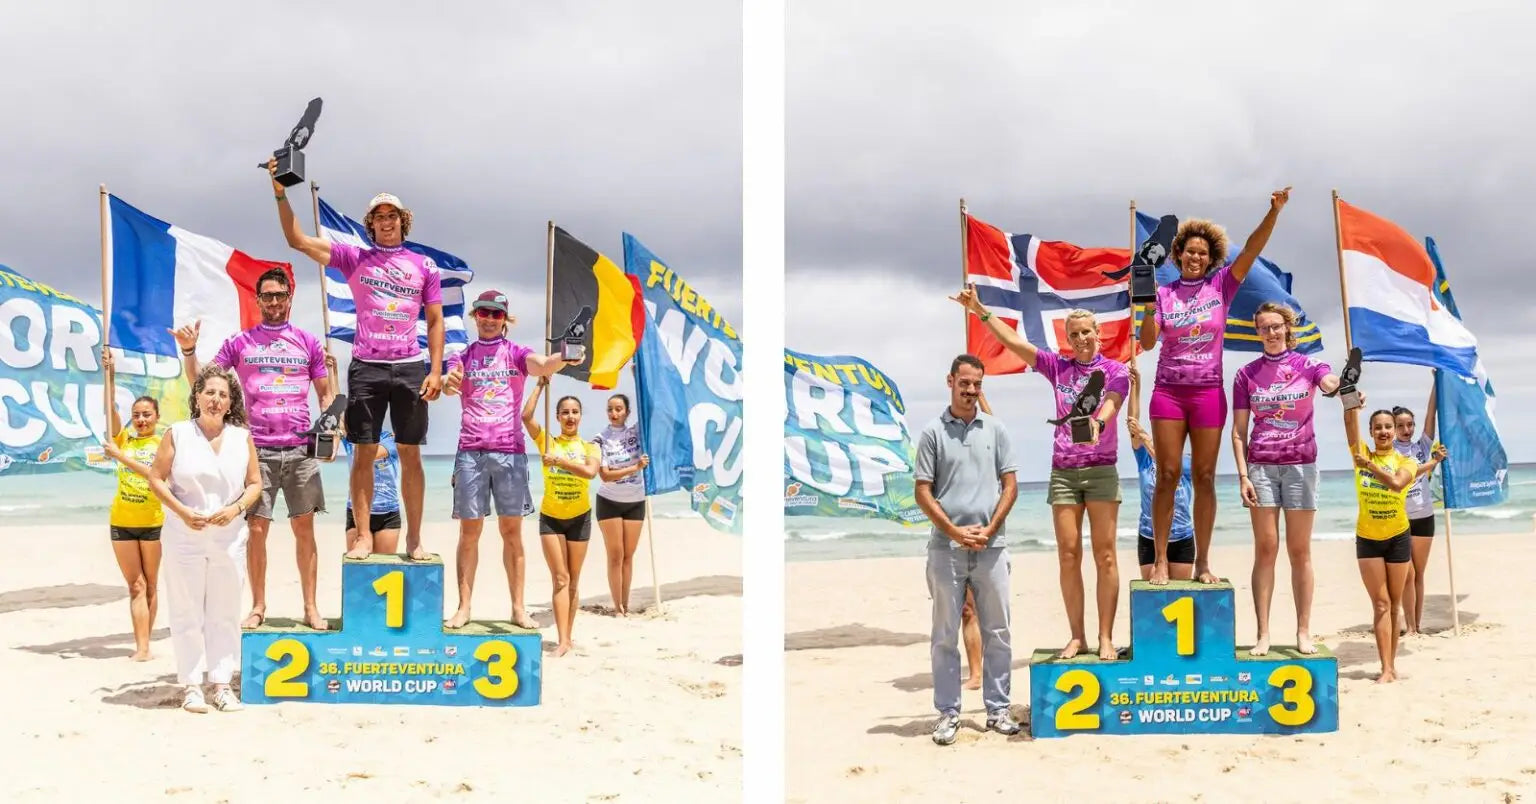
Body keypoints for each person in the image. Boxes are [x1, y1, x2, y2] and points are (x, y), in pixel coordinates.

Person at [267, 159, 444, 561]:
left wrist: (435, 370)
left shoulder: (423, 266)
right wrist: (280, 192)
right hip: (367, 365)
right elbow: (296, 239)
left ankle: (414, 539)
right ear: (371, 223)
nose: (385, 222)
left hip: (410, 365)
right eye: (379, 217)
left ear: (403, 221)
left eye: (392, 216)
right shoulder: (355, 257)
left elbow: (435, 320)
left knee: (410, 452)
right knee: (362, 451)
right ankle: (362, 536)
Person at [954, 288, 1127, 660]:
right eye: (1075, 333)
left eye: (1087, 332)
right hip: (1063, 471)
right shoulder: (1058, 368)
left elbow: (1112, 401)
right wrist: (981, 311)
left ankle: (1106, 636)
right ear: (1069, 338)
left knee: (1106, 556)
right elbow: (1015, 342)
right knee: (1068, 554)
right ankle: (1077, 636)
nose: (1081, 339)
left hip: (1100, 470)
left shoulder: (1116, 370)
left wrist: (1098, 423)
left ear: (1099, 333)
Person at [1137, 187, 1293, 585]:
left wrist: (1272, 211)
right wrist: (1150, 308)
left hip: (1207, 392)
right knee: (1167, 474)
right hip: (1169, 393)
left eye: (1202, 253)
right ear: (1178, 255)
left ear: (1211, 259)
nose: (1195, 258)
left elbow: (1252, 250)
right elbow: (1149, 342)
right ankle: (1158, 560)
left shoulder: (1222, 285)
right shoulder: (1164, 292)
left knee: (1205, 476)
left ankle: (1203, 562)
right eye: (1189, 252)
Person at [173, 267, 333, 630]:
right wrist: (188, 350)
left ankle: (310, 607)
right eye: (267, 296)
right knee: (257, 530)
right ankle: (259, 606)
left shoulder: (307, 342)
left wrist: (331, 428)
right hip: (254, 450)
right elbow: (202, 383)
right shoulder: (240, 342)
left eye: (280, 295)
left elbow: (325, 393)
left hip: (300, 450)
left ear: (289, 298)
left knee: (304, 529)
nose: (274, 302)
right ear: (258, 300)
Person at [442, 290, 573, 630]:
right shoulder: (464, 355)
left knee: (511, 532)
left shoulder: (516, 353)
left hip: (510, 453)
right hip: (470, 452)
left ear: (505, 320)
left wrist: (566, 356)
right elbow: (447, 384)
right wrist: (446, 381)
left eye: (496, 314)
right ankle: (464, 607)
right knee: (469, 532)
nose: (488, 318)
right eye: (483, 312)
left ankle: (517, 608)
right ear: (475, 316)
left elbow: (543, 365)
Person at [913, 354, 1020, 746]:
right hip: (946, 548)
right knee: (944, 633)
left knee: (999, 631)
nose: (971, 390)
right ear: (950, 381)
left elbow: (1010, 485)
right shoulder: (931, 433)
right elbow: (922, 492)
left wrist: (990, 529)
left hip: (993, 547)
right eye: (964, 383)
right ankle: (948, 714)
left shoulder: (996, 429)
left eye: (977, 384)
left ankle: (998, 710)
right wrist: (955, 532)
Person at [144, 365, 262, 713]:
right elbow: (156, 478)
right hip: (184, 534)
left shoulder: (242, 437)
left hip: (228, 535)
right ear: (196, 397)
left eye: (223, 394)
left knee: (225, 611)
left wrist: (236, 508)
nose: (216, 399)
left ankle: (222, 684)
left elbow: (255, 483)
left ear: (230, 403)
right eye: (209, 392)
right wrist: (181, 511)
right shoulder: (178, 434)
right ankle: (192, 685)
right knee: (186, 609)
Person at [1231, 303, 1341, 656]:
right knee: (1265, 549)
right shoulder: (1245, 375)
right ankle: (1262, 634)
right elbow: (1238, 433)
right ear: (1257, 332)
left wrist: (1342, 386)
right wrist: (1243, 475)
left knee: (1299, 551)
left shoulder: (1308, 365)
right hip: (1261, 467)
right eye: (1264, 328)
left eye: (1276, 327)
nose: (1271, 333)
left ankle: (1303, 632)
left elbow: (1329, 383)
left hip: (1301, 466)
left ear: (1287, 328)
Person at [523, 378, 601, 657]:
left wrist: (558, 461)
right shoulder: (548, 441)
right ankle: (562, 640)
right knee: (560, 578)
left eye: (574, 412)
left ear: (580, 416)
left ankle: (569, 636)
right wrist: (540, 386)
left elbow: (590, 473)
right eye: (565, 412)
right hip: (551, 518)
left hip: (580, 518)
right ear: (557, 417)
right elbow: (526, 416)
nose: (570, 416)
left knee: (574, 580)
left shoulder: (591, 447)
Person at [1344, 396, 1418, 683]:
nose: (1384, 431)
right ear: (1372, 432)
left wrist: (1371, 467)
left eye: (1389, 426)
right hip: (1368, 539)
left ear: (1395, 431)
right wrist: (1350, 401)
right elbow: (1349, 424)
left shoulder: (1405, 461)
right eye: (1378, 427)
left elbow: (1398, 483)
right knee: (1381, 604)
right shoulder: (1361, 453)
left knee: (1395, 604)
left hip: (1398, 536)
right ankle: (1384, 667)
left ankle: (1391, 667)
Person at [99, 348, 164, 662]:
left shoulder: (164, 442)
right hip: (122, 520)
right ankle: (142, 648)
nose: (140, 420)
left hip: (153, 522)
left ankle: (145, 644)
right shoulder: (123, 438)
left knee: (151, 584)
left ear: (156, 417)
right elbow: (109, 408)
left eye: (146, 415)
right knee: (135, 585)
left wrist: (120, 456)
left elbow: (155, 475)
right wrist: (109, 374)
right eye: (136, 415)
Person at [1125, 359, 1196, 581]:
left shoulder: (1186, 462)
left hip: (1182, 536)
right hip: (1149, 535)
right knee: (1153, 600)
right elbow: (1132, 425)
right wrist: (1135, 387)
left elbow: (1168, 464)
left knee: (1181, 596)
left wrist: (1146, 438)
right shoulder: (1146, 461)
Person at [1393, 395, 1449, 636]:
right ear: (1394, 428)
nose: (1407, 429)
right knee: (1408, 573)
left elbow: (1431, 416)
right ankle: (1409, 626)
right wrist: (1433, 463)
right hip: (1401, 518)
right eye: (1401, 425)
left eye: (1410, 425)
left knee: (1419, 574)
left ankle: (1416, 626)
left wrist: (1437, 384)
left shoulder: (1422, 447)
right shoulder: (1389, 451)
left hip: (1425, 516)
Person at [593, 393, 651, 615]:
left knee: (628, 556)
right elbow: (605, 475)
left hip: (635, 500)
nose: (614, 413)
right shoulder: (600, 438)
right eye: (610, 409)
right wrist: (635, 468)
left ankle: (625, 603)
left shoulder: (636, 432)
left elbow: (652, 405)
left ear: (627, 412)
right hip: (609, 501)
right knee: (615, 555)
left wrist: (639, 374)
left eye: (618, 409)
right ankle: (617, 607)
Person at [343, 432, 402, 554]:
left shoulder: (390, 439)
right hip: (357, 512)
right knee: (358, 570)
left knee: (384, 570)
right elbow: (334, 418)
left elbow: (369, 454)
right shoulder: (351, 437)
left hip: (387, 513)